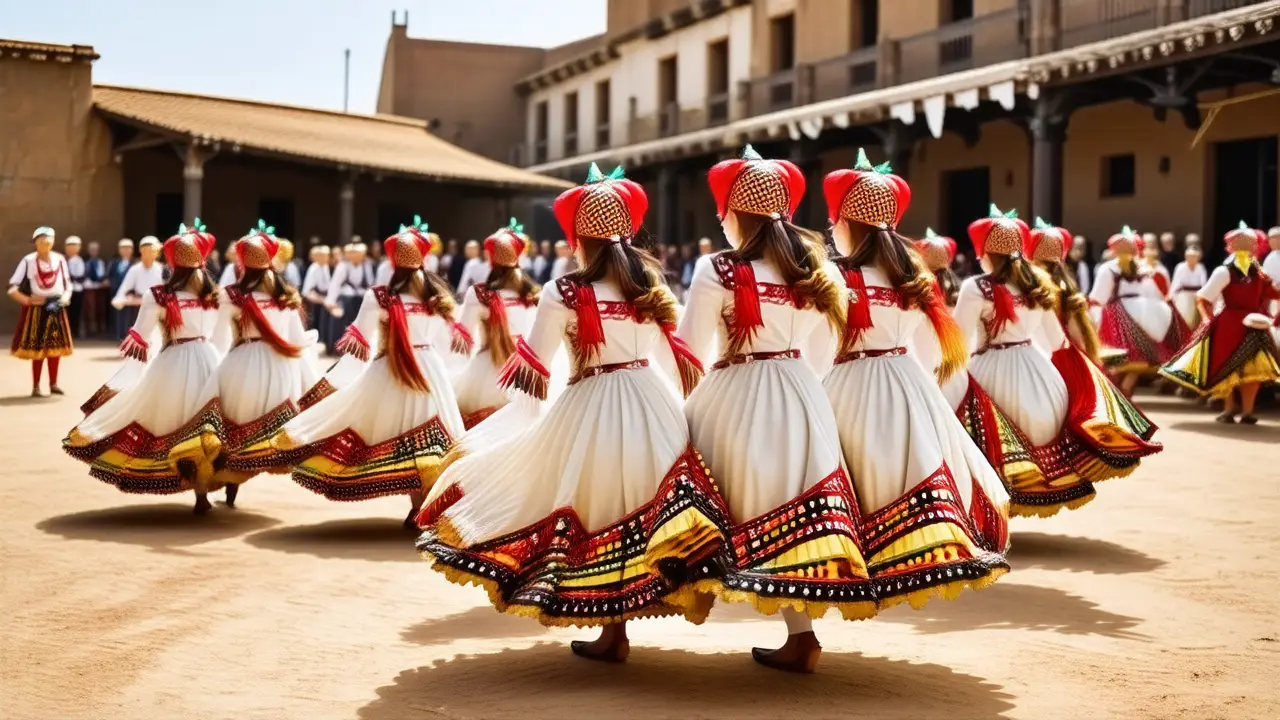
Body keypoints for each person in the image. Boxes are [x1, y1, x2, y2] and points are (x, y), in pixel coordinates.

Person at [417, 164, 727, 662]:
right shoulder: (651, 286)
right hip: (652, 404)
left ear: (578, 238)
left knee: (594, 509)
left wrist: (519, 429)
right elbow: (679, 361)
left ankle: (613, 630)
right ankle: (620, 622)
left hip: (592, 404)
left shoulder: (564, 290)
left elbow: (534, 369)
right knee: (641, 510)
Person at [821, 153, 1010, 644]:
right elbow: (930, 349)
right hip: (907, 379)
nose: (830, 226)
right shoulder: (911, 276)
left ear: (846, 223)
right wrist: (918, 387)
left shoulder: (838, 276)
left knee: (845, 483)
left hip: (851, 379)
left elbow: (820, 347)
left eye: (835, 218)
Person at [248, 217, 468, 527]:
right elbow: (451, 346)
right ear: (425, 257)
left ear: (392, 260)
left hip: (390, 369)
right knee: (430, 436)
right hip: (430, 370)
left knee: (388, 431)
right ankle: (422, 503)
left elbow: (360, 344)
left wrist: (331, 384)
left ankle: (416, 503)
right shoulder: (439, 298)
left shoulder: (379, 296)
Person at [63, 221, 223, 511]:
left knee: (170, 421)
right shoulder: (213, 295)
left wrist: (136, 365)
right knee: (209, 422)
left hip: (174, 360)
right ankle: (205, 488)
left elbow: (141, 335)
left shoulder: (159, 295)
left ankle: (189, 479)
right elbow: (221, 335)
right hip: (209, 358)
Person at [198, 220, 320, 511]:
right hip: (281, 371)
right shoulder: (286, 295)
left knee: (224, 426)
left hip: (242, 363)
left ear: (242, 262)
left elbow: (218, 339)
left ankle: (227, 485)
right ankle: (238, 484)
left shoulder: (230, 294)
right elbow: (297, 340)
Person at [1161, 222, 1280, 424]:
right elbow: (1204, 298)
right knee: (1229, 368)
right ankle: (1231, 408)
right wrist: (1209, 321)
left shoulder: (1257, 272)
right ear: (1232, 246)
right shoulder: (1225, 271)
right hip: (1231, 323)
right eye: (1241, 243)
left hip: (1251, 325)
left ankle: (1246, 411)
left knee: (1252, 371)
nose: (1246, 246)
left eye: (1249, 243)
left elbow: (1273, 293)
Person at [452, 219, 540, 428]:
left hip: (487, 365)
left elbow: (464, 335)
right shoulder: (533, 294)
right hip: (523, 369)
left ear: (491, 258)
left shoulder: (479, 293)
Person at [1090, 226, 1187, 397]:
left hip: (1120, 314)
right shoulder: (1139, 269)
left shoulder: (1112, 269)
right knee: (1139, 358)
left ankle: (1120, 393)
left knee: (1123, 359)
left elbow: (1099, 295)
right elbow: (1152, 293)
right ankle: (1123, 391)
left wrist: (1095, 312)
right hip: (1142, 313)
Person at [8, 227, 73, 396]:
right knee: (38, 349)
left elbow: (67, 283)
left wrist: (66, 297)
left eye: (48, 239)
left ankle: (54, 383)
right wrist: (27, 300)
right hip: (37, 310)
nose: (45, 242)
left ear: (54, 241)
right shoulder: (28, 261)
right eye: (41, 239)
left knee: (56, 348)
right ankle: (36, 385)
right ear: (35, 242)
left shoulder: (59, 259)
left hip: (56, 307)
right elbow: (12, 287)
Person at [113, 236, 166, 338]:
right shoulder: (135, 269)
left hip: (157, 308)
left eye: (152, 251)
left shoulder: (162, 269)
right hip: (138, 309)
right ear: (141, 251)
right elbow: (123, 290)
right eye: (145, 250)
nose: (148, 254)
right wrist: (124, 299)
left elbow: (167, 292)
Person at [325, 243, 373, 352]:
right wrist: (331, 301)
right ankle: (339, 347)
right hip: (346, 299)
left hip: (361, 299)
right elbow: (335, 284)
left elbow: (370, 284)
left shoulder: (367, 266)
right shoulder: (343, 266)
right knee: (341, 322)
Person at [301, 245, 333, 348]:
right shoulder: (313, 268)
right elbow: (306, 291)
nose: (326, 257)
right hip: (316, 302)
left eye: (327, 255)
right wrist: (322, 300)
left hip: (326, 299)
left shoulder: (327, 266)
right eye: (323, 255)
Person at [1170, 245, 1208, 329]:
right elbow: (1175, 283)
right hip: (1184, 295)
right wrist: (1171, 296)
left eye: (1194, 257)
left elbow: (1204, 284)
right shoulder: (1180, 267)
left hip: (1197, 295)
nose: (1192, 258)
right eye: (1190, 256)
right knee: (1185, 316)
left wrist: (1204, 296)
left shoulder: (1200, 267)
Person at [108, 238, 135, 340]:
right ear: (119, 250)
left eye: (128, 248)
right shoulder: (114, 263)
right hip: (116, 293)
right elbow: (110, 276)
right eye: (123, 248)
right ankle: (118, 335)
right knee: (117, 315)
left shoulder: (135, 263)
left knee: (130, 317)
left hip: (130, 295)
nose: (125, 250)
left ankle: (129, 336)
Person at [82, 241, 107, 337]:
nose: (94, 251)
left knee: (101, 309)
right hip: (89, 289)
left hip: (101, 289)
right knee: (89, 309)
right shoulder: (85, 261)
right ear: (88, 250)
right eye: (92, 249)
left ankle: (100, 329)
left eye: (95, 250)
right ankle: (89, 330)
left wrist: (104, 281)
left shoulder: (102, 261)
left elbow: (104, 274)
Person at [63, 236, 85, 338]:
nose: (70, 248)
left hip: (76, 290)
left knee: (75, 313)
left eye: (73, 246)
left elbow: (79, 276)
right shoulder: (62, 259)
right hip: (64, 290)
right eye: (68, 246)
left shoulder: (79, 260)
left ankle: (74, 333)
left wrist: (68, 277)